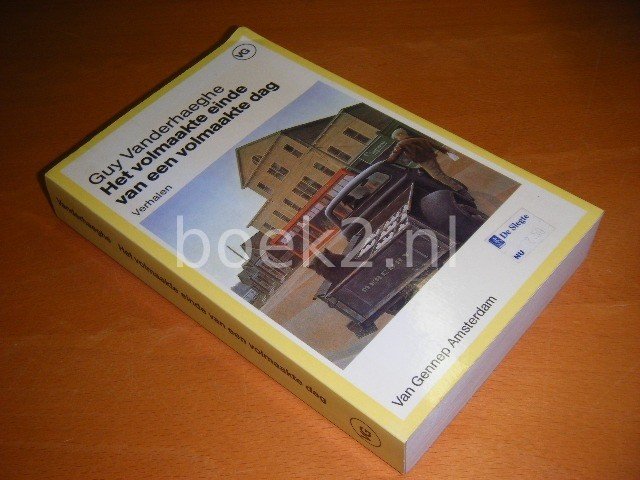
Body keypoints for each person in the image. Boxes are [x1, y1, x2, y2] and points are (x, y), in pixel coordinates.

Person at [386, 128, 470, 196]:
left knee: (438, 176)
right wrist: (445, 151)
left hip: (424, 161)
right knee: (440, 174)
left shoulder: (401, 144)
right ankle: (459, 186)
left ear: (400, 135)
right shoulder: (418, 139)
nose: (397, 139)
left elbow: (394, 156)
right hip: (431, 158)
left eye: (397, 137)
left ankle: (459, 189)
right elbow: (433, 144)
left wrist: (386, 162)